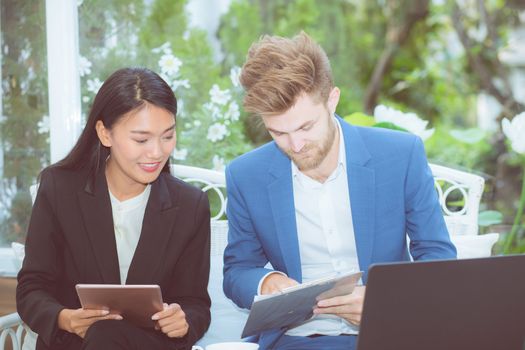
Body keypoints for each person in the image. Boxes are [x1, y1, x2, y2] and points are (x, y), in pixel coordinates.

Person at [222, 32, 457, 349]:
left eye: (306, 126)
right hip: (295, 340)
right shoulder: (246, 175)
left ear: (332, 100)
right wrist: (267, 282)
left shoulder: (401, 155)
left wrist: (383, 302)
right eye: (278, 132)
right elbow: (237, 271)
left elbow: (439, 259)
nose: (296, 145)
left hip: (388, 333)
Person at [16, 67, 211, 350]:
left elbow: (196, 304)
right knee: (103, 334)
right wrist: (65, 318)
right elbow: (32, 288)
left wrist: (184, 321)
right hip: (77, 345)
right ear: (104, 133)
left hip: (149, 345)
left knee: (107, 335)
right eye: (141, 139)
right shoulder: (59, 189)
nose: (157, 152)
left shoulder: (190, 206)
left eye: (167, 136)